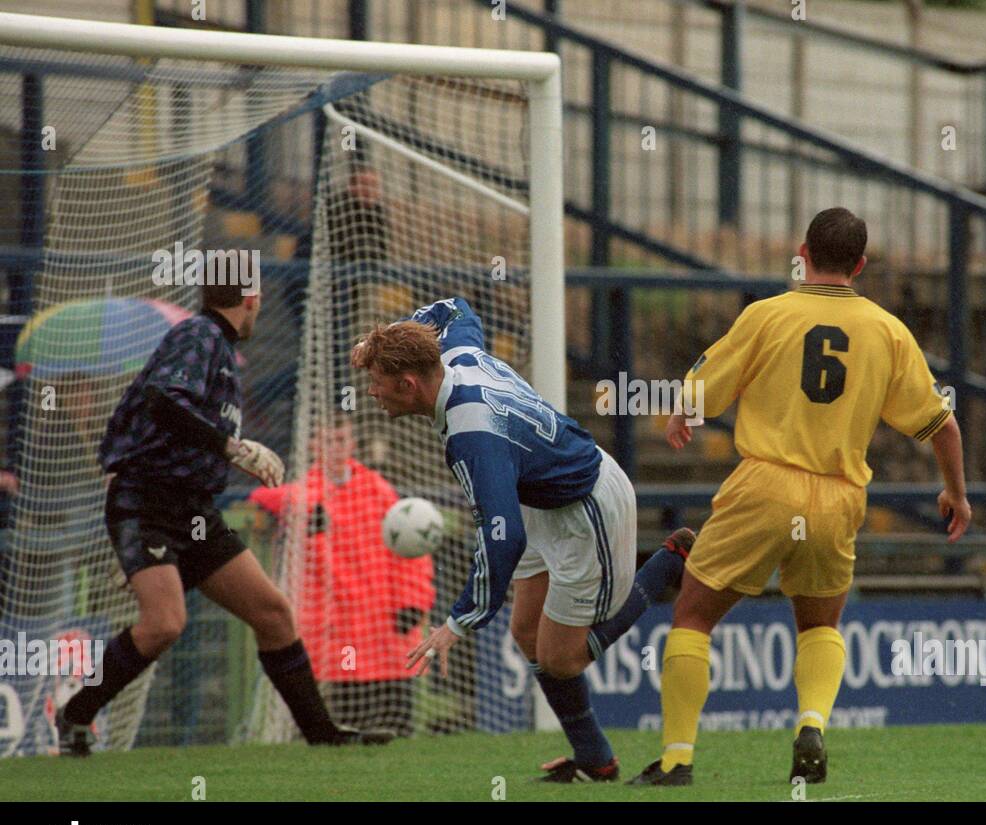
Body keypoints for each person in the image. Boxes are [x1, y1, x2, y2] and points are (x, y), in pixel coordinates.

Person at [632, 208, 971, 786]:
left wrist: (681, 414)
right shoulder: (888, 331)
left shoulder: (768, 315)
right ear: (860, 265)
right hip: (839, 495)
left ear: (801, 252)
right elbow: (945, 427)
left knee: (692, 614)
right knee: (819, 624)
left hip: (765, 482)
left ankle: (676, 759)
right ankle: (811, 722)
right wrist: (957, 495)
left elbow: (702, 394)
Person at [352, 297, 693, 782]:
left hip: (587, 507)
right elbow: (454, 309)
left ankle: (668, 562)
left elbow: (502, 538)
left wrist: (459, 621)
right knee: (525, 632)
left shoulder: (472, 436)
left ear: (409, 384)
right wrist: (381, 342)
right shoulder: (455, 354)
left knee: (561, 657)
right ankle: (596, 761)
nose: (371, 393)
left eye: (378, 384)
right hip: (539, 495)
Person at [56, 280, 393, 755]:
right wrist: (232, 447)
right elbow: (163, 399)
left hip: (193, 508)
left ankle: (324, 736)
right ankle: (76, 715)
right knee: (164, 624)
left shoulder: (220, 349)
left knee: (273, 614)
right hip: (149, 502)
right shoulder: (201, 335)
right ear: (252, 299)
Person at [248, 412, 434, 736]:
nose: (336, 447)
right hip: (337, 632)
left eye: (342, 439)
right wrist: (301, 508)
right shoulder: (306, 493)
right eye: (328, 440)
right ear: (313, 445)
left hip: (384, 626)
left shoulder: (378, 490)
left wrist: (412, 602)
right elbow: (260, 496)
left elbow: (410, 554)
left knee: (397, 730)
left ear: (353, 443)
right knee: (345, 725)